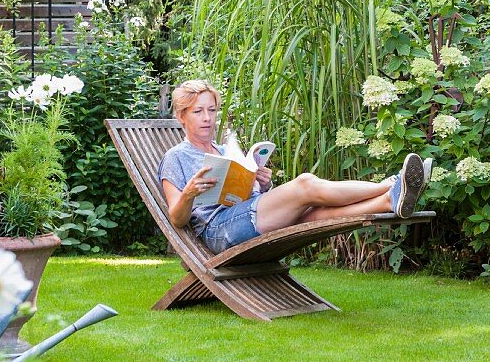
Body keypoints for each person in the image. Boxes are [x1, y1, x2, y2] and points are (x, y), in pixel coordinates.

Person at [159, 79, 430, 254]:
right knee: (305, 184)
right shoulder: (176, 157)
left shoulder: (223, 150)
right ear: (182, 116)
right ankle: (392, 184)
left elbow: (246, 194)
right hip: (220, 230)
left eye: (212, 110)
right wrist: (189, 193)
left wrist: (262, 182)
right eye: (198, 112)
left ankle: (387, 201)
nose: (207, 118)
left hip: (248, 213)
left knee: (314, 212)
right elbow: (177, 218)